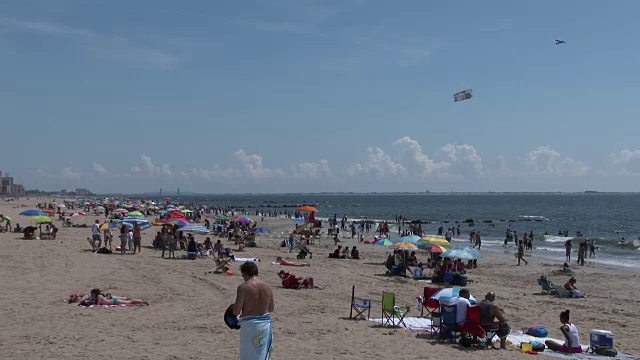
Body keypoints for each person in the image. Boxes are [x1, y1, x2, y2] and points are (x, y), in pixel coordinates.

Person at [233, 262, 274, 360]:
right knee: (262, 355)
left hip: (250, 326)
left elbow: (236, 311)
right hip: (265, 324)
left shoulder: (243, 288)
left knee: (248, 355)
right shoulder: (268, 287)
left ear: (245, 273)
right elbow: (271, 308)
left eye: (243, 275)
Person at [71, 288, 148, 306]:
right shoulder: (99, 296)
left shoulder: (99, 297)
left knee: (129, 302)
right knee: (129, 301)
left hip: (114, 301)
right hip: (112, 300)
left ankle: (143, 301)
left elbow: (97, 305)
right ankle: (142, 301)